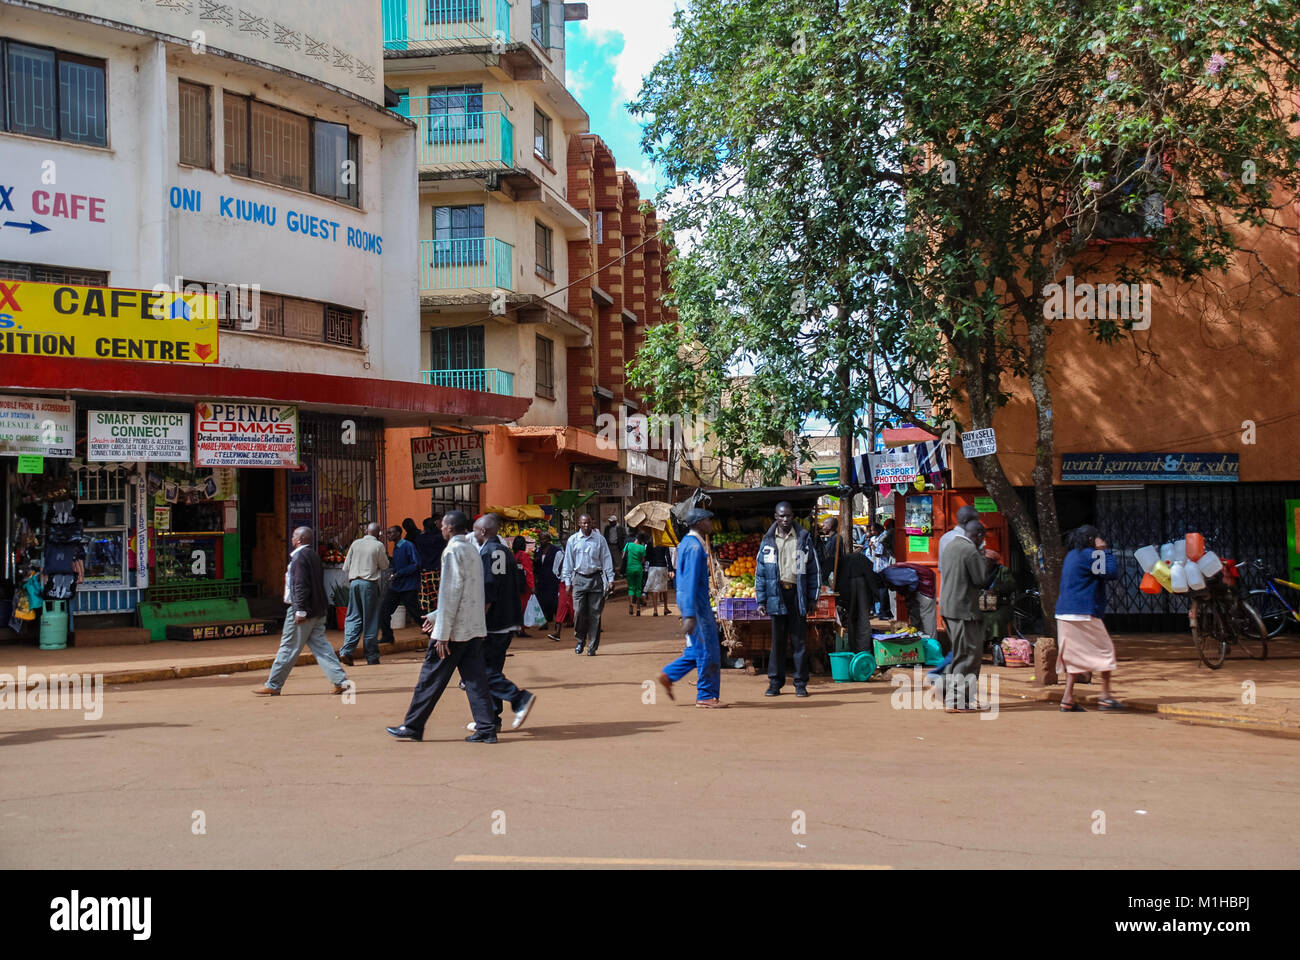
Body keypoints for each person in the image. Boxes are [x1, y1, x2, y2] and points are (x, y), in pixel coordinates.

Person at [386, 511, 500, 743]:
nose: (441, 529)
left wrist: (442, 634)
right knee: (475, 680)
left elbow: (450, 594)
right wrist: (437, 616)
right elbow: (467, 592)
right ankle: (487, 728)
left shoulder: (453, 551)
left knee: (430, 678)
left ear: (450, 528)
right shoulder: (472, 550)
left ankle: (413, 725)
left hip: (455, 631)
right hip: (472, 628)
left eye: (444, 525)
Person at [256, 527, 349, 696]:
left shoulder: (299, 558)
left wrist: (300, 610)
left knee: (288, 647)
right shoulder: (312, 555)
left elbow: (300, 586)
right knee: (322, 647)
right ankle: (340, 680)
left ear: (299, 539)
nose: (291, 539)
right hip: (318, 609)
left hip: (303, 609)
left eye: (293, 537)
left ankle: (274, 684)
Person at [472, 515, 537, 732]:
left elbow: (488, 591)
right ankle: (492, 719)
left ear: (483, 531)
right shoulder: (505, 552)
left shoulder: (487, 553)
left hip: (494, 622)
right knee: (492, 669)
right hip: (509, 619)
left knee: (479, 670)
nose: (474, 535)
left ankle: (518, 698)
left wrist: (479, 622)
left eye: (475, 531)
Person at [657, 509, 724, 707]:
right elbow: (689, 581)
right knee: (708, 650)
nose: (711, 523)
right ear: (699, 523)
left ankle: (669, 674)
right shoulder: (694, 548)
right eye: (708, 520)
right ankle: (705, 696)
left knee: (697, 649)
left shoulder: (687, 543)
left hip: (694, 604)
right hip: (698, 607)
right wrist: (689, 614)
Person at [755, 501, 821, 698]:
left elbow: (813, 570)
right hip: (776, 595)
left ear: (793, 517)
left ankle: (800, 683)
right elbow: (760, 574)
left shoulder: (802, 538)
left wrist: (813, 598)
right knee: (778, 642)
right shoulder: (767, 541)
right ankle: (775, 683)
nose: (785, 519)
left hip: (797, 595)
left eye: (788, 516)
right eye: (781, 516)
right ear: (775, 517)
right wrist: (761, 600)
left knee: (799, 641)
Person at [1056, 525, 1123, 712]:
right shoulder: (1090, 554)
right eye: (1096, 538)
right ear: (1090, 540)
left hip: (1064, 612)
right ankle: (1105, 696)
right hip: (1083, 612)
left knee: (1072, 656)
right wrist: (1104, 551)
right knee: (1106, 651)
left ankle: (1067, 698)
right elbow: (1111, 572)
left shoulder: (1071, 555)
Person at [937, 518, 993, 712]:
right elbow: (981, 579)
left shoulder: (951, 545)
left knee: (961, 653)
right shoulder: (970, 551)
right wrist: (986, 559)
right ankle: (956, 700)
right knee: (969, 655)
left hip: (949, 607)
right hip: (963, 610)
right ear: (978, 536)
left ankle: (959, 697)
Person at [561, 513, 615, 655]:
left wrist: (610, 579)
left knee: (595, 614)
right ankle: (580, 639)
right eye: (583, 523)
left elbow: (606, 559)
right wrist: (567, 582)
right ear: (579, 524)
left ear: (592, 523)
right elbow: (568, 562)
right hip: (579, 579)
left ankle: (592, 646)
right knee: (579, 612)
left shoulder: (599, 540)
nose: (586, 526)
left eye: (588, 523)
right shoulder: (573, 540)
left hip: (596, 579)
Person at [337, 522, 389, 666]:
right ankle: (371, 656)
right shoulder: (378, 546)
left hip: (354, 583)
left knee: (353, 618)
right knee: (370, 620)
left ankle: (346, 651)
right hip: (369, 585)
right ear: (378, 534)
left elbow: (345, 566)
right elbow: (385, 565)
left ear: (366, 531)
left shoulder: (355, 544)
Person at [378, 524, 423, 648]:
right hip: (397, 586)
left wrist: (399, 573)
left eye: (391, 533)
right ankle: (387, 636)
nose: (388, 535)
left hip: (408, 586)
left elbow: (416, 564)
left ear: (398, 533)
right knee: (384, 610)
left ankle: (433, 635)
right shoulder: (397, 547)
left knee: (416, 613)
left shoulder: (407, 545)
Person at [838, 544, 879, 654]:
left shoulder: (844, 561)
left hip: (851, 583)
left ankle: (856, 649)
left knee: (854, 618)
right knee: (862, 618)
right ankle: (863, 650)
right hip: (860, 582)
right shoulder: (858, 559)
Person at [889, 561, 938, 637]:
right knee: (921, 617)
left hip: (925, 585)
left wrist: (911, 592)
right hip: (922, 584)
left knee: (927, 618)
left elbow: (913, 579)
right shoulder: (892, 571)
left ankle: (931, 643)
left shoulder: (891, 575)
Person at [532, 532, 565, 641]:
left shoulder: (556, 551)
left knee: (554, 601)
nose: (542, 541)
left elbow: (558, 565)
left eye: (544, 539)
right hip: (541, 580)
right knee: (542, 600)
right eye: (540, 539)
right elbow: (535, 566)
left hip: (552, 579)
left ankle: (557, 623)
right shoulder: (538, 551)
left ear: (548, 539)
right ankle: (544, 621)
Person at [414, 516, 445, 617]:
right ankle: (438, 619)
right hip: (437, 571)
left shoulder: (419, 539)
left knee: (426, 597)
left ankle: (428, 620)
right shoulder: (440, 538)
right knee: (438, 597)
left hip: (424, 571)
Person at [512, 535, 536, 637]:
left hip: (515, 585)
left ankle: (516, 628)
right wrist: (532, 586)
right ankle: (521, 629)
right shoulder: (524, 556)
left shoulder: (514, 556)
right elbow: (528, 572)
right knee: (524, 608)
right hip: (524, 586)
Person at [644, 538, 674, 617]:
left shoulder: (650, 542)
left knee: (654, 588)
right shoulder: (663, 541)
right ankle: (665, 608)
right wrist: (671, 569)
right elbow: (668, 557)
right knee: (664, 588)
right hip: (662, 566)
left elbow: (647, 557)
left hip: (652, 567)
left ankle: (655, 610)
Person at [623, 530, 649, 615]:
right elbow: (643, 560)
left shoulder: (628, 545)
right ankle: (638, 609)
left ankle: (631, 604)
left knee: (631, 588)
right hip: (638, 569)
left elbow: (623, 556)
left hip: (629, 568)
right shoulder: (642, 548)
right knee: (638, 588)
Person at [820, 516, 845, 588]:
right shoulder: (832, 538)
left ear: (830, 526)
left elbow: (832, 557)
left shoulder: (836, 538)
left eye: (824, 525)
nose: (823, 527)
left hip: (833, 571)